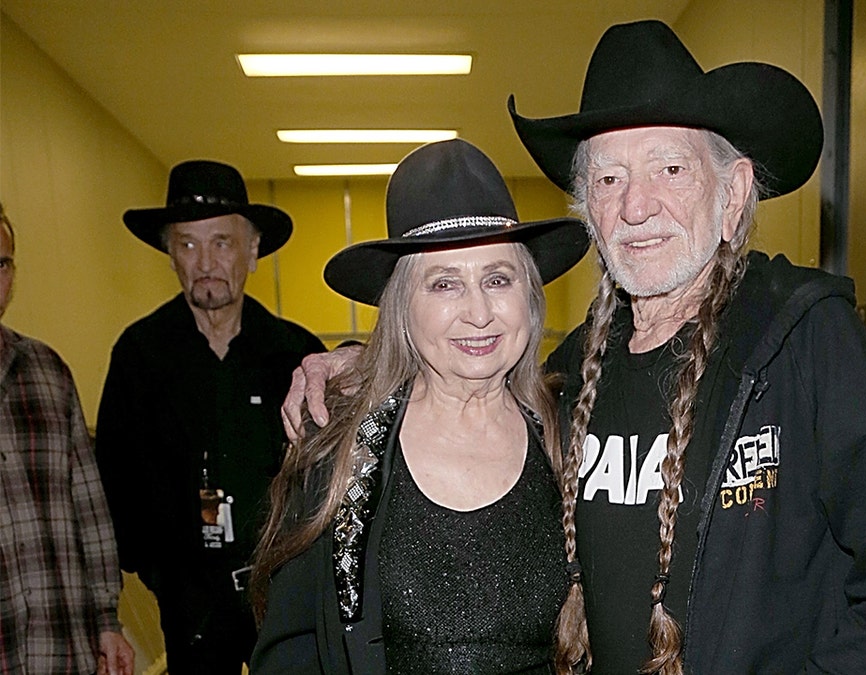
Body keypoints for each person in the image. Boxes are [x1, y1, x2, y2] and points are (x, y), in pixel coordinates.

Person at [288, 19, 866, 674]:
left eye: (669, 167)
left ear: (732, 193)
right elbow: (465, 371)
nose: (637, 205)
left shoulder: (802, 341)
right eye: (609, 179)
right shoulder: (573, 371)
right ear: (589, 207)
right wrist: (357, 361)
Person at [249, 139, 591, 674]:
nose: (478, 312)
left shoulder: (574, 437)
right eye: (444, 284)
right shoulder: (339, 452)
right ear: (402, 308)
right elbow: (290, 651)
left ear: (530, 297)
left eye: (498, 279)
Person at [94, 160, 326, 674]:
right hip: (188, 603)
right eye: (188, 244)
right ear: (169, 253)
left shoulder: (297, 355)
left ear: (253, 250)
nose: (205, 262)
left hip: (283, 594)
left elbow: (326, 476)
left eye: (222, 242)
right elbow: (115, 477)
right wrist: (160, 572)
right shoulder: (139, 356)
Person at [0, 205, 135, 675]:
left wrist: (106, 621)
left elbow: (88, 507)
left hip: (60, 648)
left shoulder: (46, 372)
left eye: (0, 264)